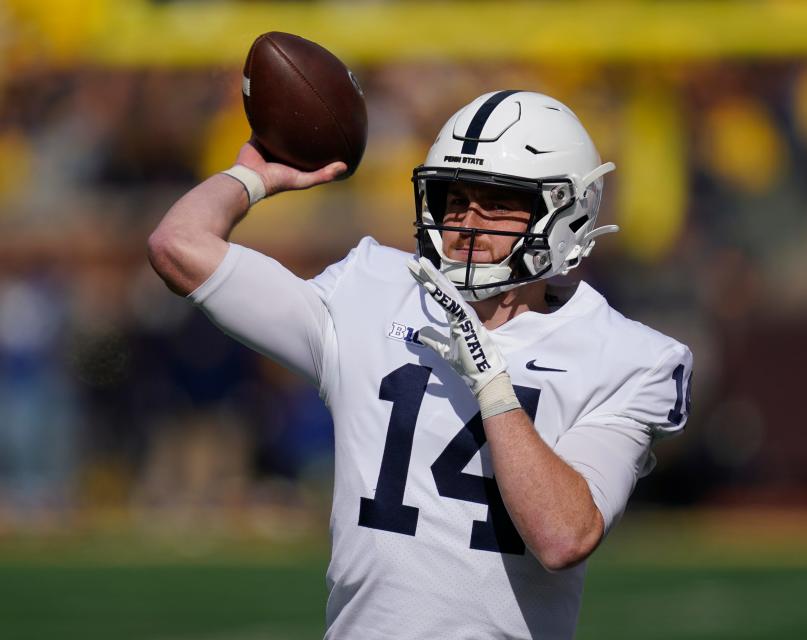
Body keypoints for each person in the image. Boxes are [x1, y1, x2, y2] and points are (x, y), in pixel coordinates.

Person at [148, 90, 693, 639]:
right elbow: (178, 246)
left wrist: (491, 382)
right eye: (454, 199)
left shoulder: (630, 358)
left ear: (566, 213)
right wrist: (253, 178)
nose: (466, 224)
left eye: (496, 202)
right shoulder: (373, 287)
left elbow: (563, 538)